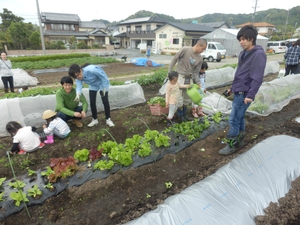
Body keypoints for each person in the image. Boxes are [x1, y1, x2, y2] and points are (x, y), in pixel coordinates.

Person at [219, 25, 267, 156]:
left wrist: (250, 95)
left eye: (244, 39)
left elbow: (257, 77)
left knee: (233, 119)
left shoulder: (258, 54)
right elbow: (240, 74)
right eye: (240, 39)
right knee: (239, 118)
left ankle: (231, 144)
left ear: (251, 39)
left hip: (245, 94)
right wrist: (232, 89)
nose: (241, 42)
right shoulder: (242, 54)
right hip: (239, 91)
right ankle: (240, 139)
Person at [168, 38, 207, 122]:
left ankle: (185, 116)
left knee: (187, 98)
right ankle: (179, 116)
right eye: (202, 49)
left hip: (189, 79)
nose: (202, 51)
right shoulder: (185, 50)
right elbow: (174, 59)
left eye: (204, 49)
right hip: (180, 77)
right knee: (179, 98)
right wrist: (169, 72)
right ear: (197, 45)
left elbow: (196, 72)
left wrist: (198, 82)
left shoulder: (200, 58)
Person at [68, 63, 115, 127]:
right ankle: (95, 119)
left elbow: (103, 78)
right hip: (93, 85)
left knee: (105, 101)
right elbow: (79, 86)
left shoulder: (92, 70)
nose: (78, 77)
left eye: (78, 74)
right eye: (76, 77)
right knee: (92, 102)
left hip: (102, 83)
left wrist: (103, 89)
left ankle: (108, 119)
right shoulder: (78, 78)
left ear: (80, 70)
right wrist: (78, 94)